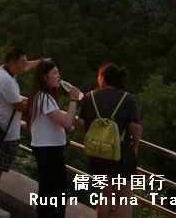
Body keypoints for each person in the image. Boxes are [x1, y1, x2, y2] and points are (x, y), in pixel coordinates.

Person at [0, 47, 39, 218]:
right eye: (22, 62)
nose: (25, 65)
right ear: (12, 62)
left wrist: (39, 62)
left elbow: (26, 68)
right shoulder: (7, 81)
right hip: (6, 133)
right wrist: (39, 103)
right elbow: (20, 106)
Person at [78, 64, 142, 218]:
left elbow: (81, 122)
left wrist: (95, 135)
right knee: (124, 198)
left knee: (105, 193)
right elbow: (136, 127)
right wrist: (135, 145)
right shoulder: (127, 98)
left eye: (99, 76)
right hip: (121, 153)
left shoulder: (90, 96)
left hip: (98, 152)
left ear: (103, 78)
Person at [27, 59, 80, 218]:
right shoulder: (44, 97)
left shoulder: (39, 95)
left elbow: (55, 120)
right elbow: (66, 122)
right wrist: (73, 100)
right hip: (49, 150)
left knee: (47, 189)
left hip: (44, 148)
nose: (59, 76)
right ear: (44, 77)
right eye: (55, 73)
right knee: (56, 192)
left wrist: (66, 125)